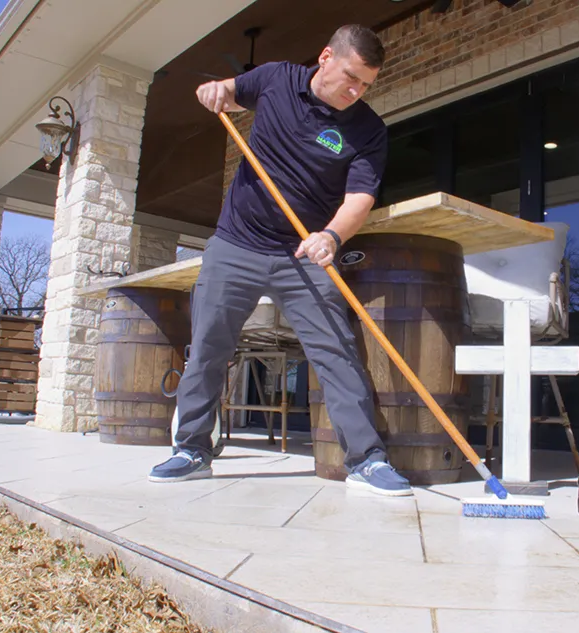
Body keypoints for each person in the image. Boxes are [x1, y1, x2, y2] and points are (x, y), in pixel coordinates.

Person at [147, 25, 411, 497]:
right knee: (208, 345)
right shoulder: (276, 80)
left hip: (304, 253)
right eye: (350, 77)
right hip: (237, 243)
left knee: (336, 351)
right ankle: (191, 449)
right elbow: (227, 92)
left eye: (365, 84)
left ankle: (367, 460)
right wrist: (216, 91)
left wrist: (331, 235)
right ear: (325, 57)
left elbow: (359, 197)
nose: (355, 90)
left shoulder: (368, 130)